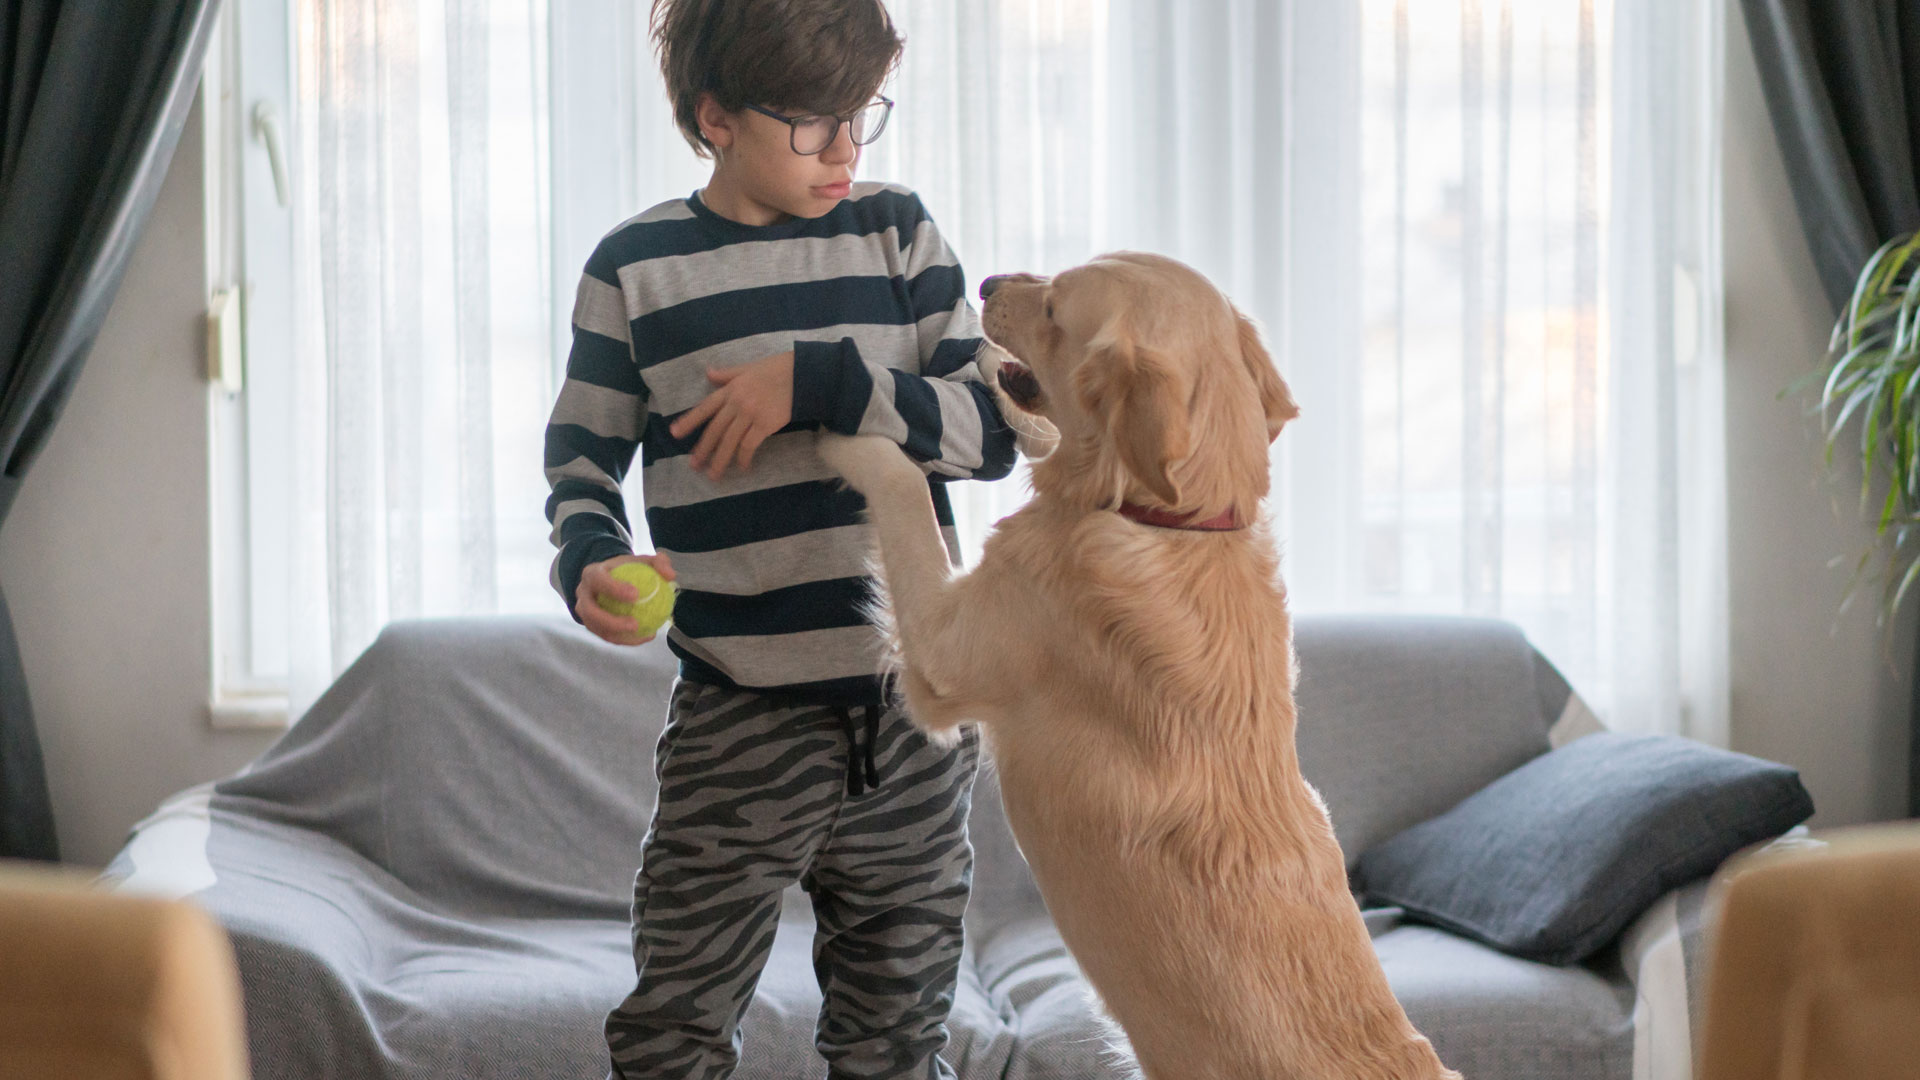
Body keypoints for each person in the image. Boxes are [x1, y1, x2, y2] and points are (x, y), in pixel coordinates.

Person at [540, 1, 1017, 1076]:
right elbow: (578, 460)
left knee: (898, 1049)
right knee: (673, 1038)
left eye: (862, 116)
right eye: (811, 123)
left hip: (917, 728)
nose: (845, 151)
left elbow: (993, 434)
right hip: (738, 723)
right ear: (715, 116)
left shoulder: (898, 231)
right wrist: (592, 561)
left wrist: (821, 380)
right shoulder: (637, 270)